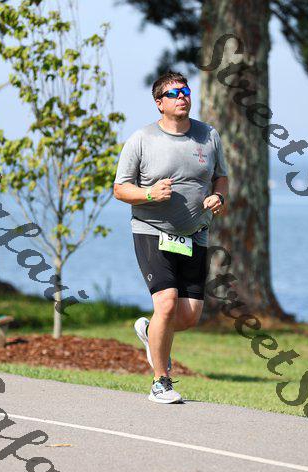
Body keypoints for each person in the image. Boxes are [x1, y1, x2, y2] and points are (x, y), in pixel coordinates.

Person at [113, 71, 228, 404]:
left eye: (185, 91)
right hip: (152, 231)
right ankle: (160, 382)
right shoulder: (142, 139)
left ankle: (152, 333)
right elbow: (120, 189)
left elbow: (221, 177)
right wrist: (149, 194)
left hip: (195, 234)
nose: (182, 97)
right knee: (165, 303)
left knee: (189, 316)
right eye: (174, 93)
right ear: (159, 103)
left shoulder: (208, 136)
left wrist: (218, 196)